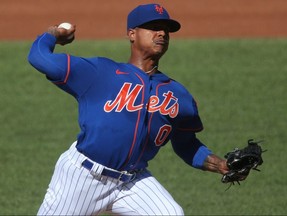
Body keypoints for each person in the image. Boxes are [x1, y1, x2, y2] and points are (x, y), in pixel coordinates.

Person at [28, 3, 229, 215]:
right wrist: (53, 34)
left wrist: (220, 164)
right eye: (153, 27)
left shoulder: (178, 95)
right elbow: (39, 57)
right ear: (132, 34)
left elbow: (187, 145)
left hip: (132, 182)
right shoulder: (99, 72)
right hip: (83, 177)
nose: (162, 33)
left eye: (165, 29)